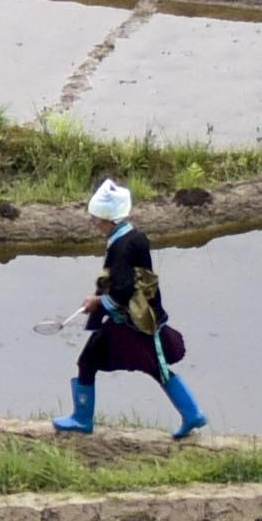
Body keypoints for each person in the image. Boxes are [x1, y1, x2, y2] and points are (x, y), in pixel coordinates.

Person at [58, 174, 205, 437]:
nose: (95, 223)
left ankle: (82, 420)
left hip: (129, 322)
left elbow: (124, 290)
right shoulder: (134, 237)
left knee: (88, 361)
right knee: (156, 367)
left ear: (109, 220)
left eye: (97, 219)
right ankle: (192, 413)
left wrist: (98, 301)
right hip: (142, 317)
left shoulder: (123, 247)